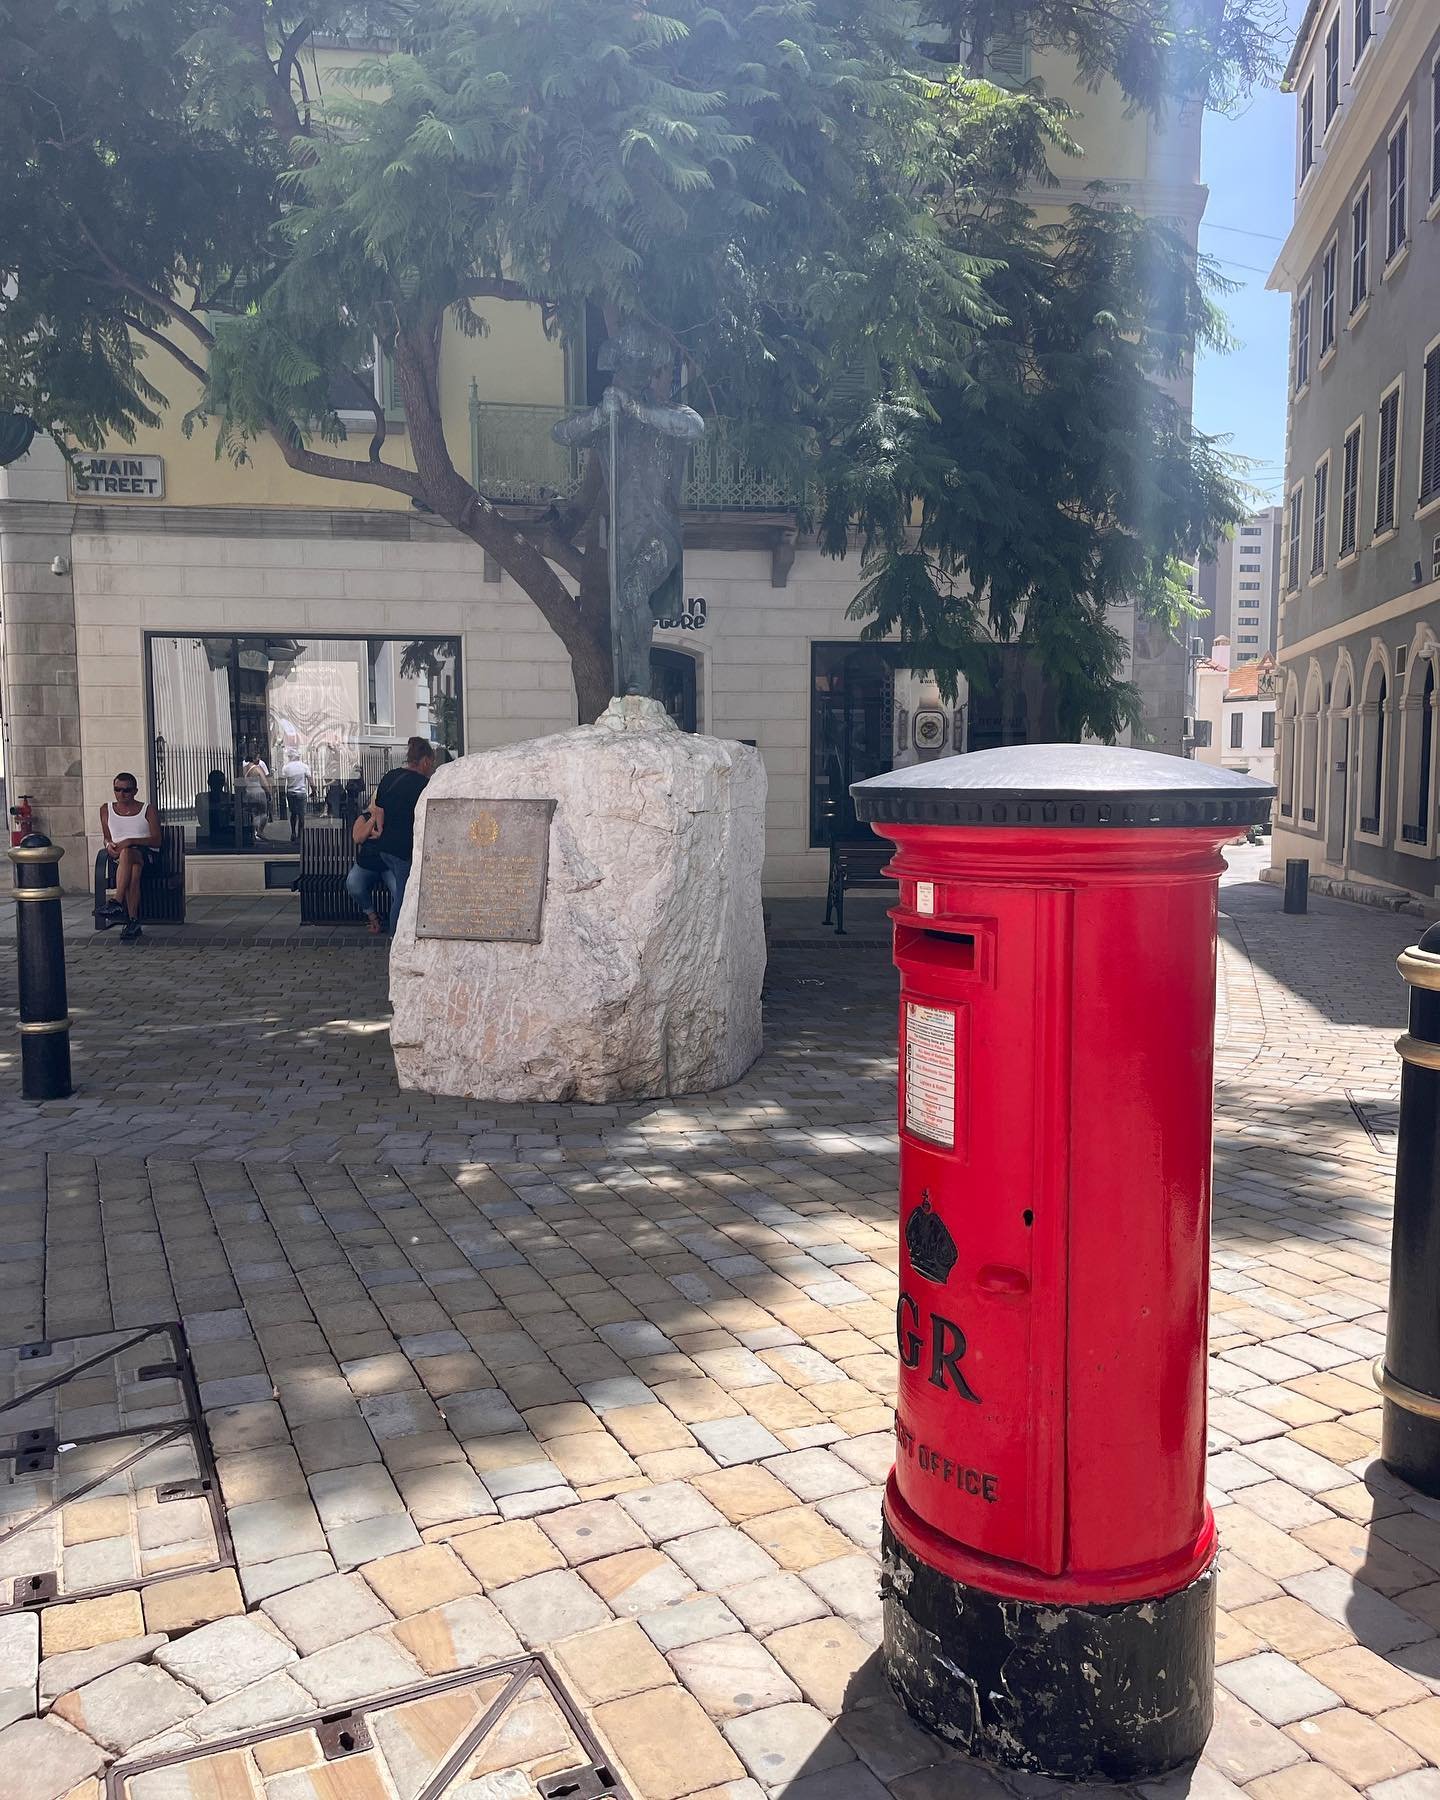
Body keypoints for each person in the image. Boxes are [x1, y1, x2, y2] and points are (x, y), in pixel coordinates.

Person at [372, 736, 436, 932]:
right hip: (403, 849)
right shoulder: (422, 785)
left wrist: (380, 829)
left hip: (385, 847)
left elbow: (379, 808)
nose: (431, 768)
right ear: (425, 761)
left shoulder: (391, 776)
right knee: (403, 895)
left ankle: (401, 934)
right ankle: (396, 937)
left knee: (401, 891)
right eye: (431, 764)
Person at [100, 773, 161, 942]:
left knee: (128, 853)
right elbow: (107, 836)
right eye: (117, 789)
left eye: (126, 790)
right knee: (133, 872)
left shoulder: (147, 809)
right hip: (121, 860)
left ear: (135, 791)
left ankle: (117, 901)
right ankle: (133, 922)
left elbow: (157, 841)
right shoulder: (106, 809)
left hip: (146, 854)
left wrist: (130, 840)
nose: (121, 794)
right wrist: (108, 845)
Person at [346, 801, 387, 934]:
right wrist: (373, 819)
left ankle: (396, 922)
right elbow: (358, 838)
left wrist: (378, 835)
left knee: (399, 889)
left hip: (388, 865)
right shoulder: (364, 818)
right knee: (353, 884)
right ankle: (373, 917)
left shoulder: (392, 817)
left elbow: (390, 838)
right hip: (366, 864)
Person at [280, 750, 312, 842]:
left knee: (293, 813)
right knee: (301, 815)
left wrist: (282, 793)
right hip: (301, 792)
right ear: (298, 757)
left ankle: (293, 832)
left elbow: (283, 780)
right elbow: (310, 780)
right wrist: (314, 790)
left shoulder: (286, 767)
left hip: (291, 792)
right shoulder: (304, 766)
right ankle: (300, 834)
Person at [241, 750, 271, 843]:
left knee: (254, 814)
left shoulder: (244, 768)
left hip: (249, 792)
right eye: (258, 757)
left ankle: (253, 833)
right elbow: (264, 783)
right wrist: (269, 792)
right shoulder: (257, 769)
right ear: (254, 758)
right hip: (259, 792)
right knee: (263, 813)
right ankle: (260, 831)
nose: (259, 759)